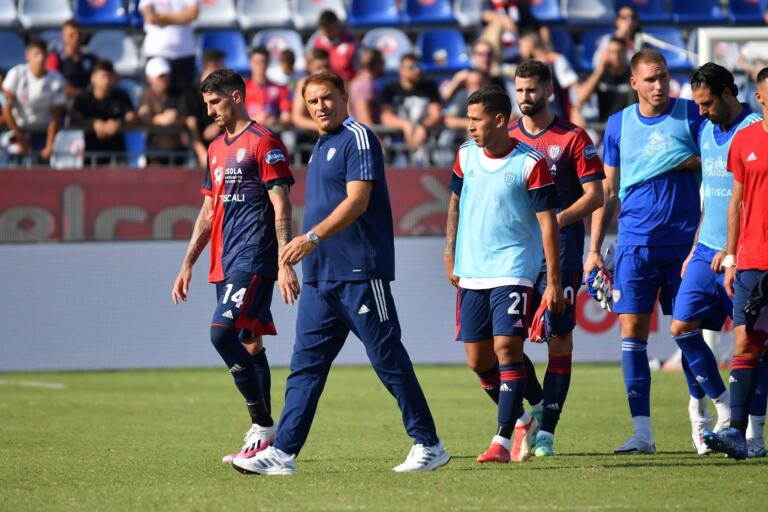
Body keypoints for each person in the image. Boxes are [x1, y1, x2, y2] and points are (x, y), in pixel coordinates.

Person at [231, 72, 449, 476]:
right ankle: (283, 453)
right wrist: (289, 264)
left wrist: (310, 238)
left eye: (327, 98)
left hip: (361, 273)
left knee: (388, 359)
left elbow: (358, 201)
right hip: (320, 278)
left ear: (345, 97)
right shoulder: (320, 145)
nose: (320, 107)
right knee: (305, 368)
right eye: (312, 101)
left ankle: (428, 444)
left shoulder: (358, 137)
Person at [171, 68, 299, 465]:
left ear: (238, 97)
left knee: (219, 334)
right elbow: (209, 211)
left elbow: (281, 203)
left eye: (216, 102)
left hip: (255, 259)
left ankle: (262, 422)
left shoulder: (264, 142)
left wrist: (284, 261)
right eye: (206, 103)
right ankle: (262, 437)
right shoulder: (214, 149)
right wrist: (186, 263)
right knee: (248, 341)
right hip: (223, 262)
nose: (210, 111)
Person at [586, 49, 705, 454]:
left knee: (688, 332)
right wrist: (594, 248)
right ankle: (642, 434)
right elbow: (607, 191)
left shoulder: (692, 114)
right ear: (634, 83)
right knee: (631, 334)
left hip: (685, 245)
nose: (659, 85)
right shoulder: (618, 124)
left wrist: (677, 160)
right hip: (635, 245)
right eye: (650, 79)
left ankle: (701, 426)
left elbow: (718, 161)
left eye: (664, 77)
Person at [444, 84, 563, 464]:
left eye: (476, 120)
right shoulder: (465, 156)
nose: (470, 128)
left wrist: (554, 280)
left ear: (499, 120)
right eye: (468, 120)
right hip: (472, 270)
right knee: (479, 361)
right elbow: (454, 206)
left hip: (513, 269)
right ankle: (526, 416)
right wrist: (449, 252)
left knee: (507, 349)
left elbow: (548, 225)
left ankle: (500, 439)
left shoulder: (530, 163)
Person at [507, 60, 604, 456]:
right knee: (506, 343)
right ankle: (537, 405)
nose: (525, 97)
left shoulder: (572, 137)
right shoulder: (505, 136)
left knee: (559, 340)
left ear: (548, 91)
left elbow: (596, 196)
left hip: (560, 255)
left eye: (532, 90)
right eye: (519, 90)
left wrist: (553, 221)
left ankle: (547, 431)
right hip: (514, 256)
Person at [667, 63, 761, 456]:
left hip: (745, 253)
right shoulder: (706, 131)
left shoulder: (755, 129)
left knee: (752, 344)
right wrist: (693, 249)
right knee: (681, 327)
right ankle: (723, 408)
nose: (701, 111)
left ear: (728, 92)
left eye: (707, 103)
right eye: (698, 104)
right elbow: (712, 195)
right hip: (707, 249)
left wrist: (738, 251)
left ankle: (754, 433)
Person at [703, 66, 768, 460]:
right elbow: (736, 203)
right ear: (760, 97)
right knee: (746, 341)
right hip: (753, 259)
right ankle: (735, 433)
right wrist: (730, 257)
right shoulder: (744, 140)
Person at [2, 38, 66, 163]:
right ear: (28, 56)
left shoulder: (56, 80)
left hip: (44, 133)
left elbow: (56, 116)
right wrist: (20, 138)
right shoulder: (16, 74)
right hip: (18, 130)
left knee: (43, 170)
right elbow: (6, 108)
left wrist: (49, 145)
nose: (40, 58)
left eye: (43, 54)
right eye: (36, 54)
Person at [70, 60, 136, 163]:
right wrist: (94, 123)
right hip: (88, 156)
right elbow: (73, 117)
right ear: (93, 78)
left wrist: (118, 123)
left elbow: (132, 117)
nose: (106, 80)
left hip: (117, 157)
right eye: (103, 76)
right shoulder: (82, 98)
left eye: (110, 76)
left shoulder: (122, 97)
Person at [380, 54, 442, 163]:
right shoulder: (391, 89)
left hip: (425, 145)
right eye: (411, 67)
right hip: (397, 146)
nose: (417, 70)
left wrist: (423, 127)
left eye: (418, 66)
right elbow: (386, 117)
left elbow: (436, 115)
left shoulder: (429, 87)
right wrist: (405, 125)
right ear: (401, 70)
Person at [516, 32, 586, 126]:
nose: (519, 49)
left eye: (520, 45)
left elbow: (578, 91)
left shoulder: (556, 61)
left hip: (559, 120)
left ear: (531, 43)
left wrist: (576, 110)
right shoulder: (526, 69)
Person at [139, 0, 200, 96]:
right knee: (157, 94)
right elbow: (151, 17)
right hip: (157, 51)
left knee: (184, 96)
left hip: (185, 53)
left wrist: (161, 17)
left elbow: (192, 14)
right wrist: (181, 16)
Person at [574, 37, 636, 123]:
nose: (616, 56)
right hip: (606, 128)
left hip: (629, 127)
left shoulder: (633, 74)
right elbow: (581, 97)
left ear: (625, 53)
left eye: (620, 51)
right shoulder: (601, 74)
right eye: (612, 52)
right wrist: (599, 71)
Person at [181, 49, 225, 168]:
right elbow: (191, 127)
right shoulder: (190, 94)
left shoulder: (225, 93)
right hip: (196, 155)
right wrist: (202, 154)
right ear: (213, 65)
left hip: (224, 151)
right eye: (223, 66)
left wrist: (217, 125)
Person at [137, 57, 183, 164]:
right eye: (160, 76)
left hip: (178, 151)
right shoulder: (145, 95)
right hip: (154, 152)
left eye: (166, 75)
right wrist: (162, 119)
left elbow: (184, 117)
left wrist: (156, 118)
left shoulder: (177, 94)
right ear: (149, 78)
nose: (164, 78)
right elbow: (144, 117)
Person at [45, 19, 98, 99]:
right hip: (63, 100)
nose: (76, 38)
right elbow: (52, 81)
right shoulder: (55, 58)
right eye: (71, 35)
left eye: (79, 34)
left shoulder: (90, 58)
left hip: (87, 101)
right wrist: (74, 92)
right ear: (63, 37)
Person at [439, 40, 507, 102]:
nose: (486, 58)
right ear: (473, 56)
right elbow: (444, 97)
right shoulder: (462, 78)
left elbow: (509, 111)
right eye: (481, 54)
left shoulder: (497, 83)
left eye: (489, 54)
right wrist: (456, 81)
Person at [244, 47, 292, 129]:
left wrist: (276, 121)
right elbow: (235, 117)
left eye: (264, 61)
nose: (261, 65)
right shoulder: (242, 89)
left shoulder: (280, 89)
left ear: (268, 62)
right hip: (248, 132)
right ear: (250, 63)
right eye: (257, 62)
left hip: (273, 130)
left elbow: (286, 116)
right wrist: (254, 120)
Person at [313, 10, 358, 82]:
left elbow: (359, 70)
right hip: (324, 84)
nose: (328, 34)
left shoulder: (352, 43)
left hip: (346, 85)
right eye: (325, 31)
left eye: (331, 30)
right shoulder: (317, 42)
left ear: (338, 25)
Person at [292, 49, 330, 133]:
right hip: (312, 133)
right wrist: (323, 126)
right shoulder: (304, 84)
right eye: (319, 68)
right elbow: (297, 118)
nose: (324, 71)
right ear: (311, 68)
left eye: (327, 66)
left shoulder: (336, 83)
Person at [348, 47, 384, 126]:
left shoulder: (359, 80)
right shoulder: (366, 84)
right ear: (378, 64)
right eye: (382, 62)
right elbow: (364, 119)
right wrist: (377, 138)